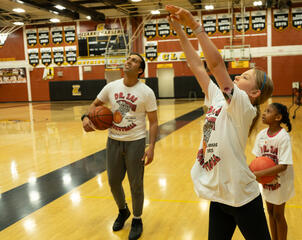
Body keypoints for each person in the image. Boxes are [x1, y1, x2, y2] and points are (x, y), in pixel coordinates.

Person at [166, 5, 273, 240]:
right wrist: (179, 31)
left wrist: (195, 26)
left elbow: (216, 66)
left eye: (244, 77)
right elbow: (197, 66)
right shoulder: (217, 97)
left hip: (242, 197)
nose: (237, 76)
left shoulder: (243, 104)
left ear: (255, 93)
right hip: (220, 195)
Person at [81, 53, 158, 240]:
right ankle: (123, 210)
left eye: (133, 61)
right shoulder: (111, 87)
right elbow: (95, 105)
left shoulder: (146, 92)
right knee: (114, 182)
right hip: (113, 141)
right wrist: (86, 118)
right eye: (128, 59)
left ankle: (137, 219)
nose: (128, 61)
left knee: (136, 184)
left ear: (140, 70)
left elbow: (154, 122)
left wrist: (151, 147)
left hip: (136, 142)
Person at [251, 103, 294, 240]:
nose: (263, 113)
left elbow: (283, 166)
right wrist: (252, 172)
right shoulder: (261, 135)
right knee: (269, 211)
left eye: (268, 111)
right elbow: (258, 160)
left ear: (278, 117)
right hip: (267, 181)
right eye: (264, 110)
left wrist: (259, 174)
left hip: (281, 182)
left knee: (278, 215)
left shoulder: (283, 137)